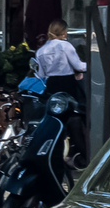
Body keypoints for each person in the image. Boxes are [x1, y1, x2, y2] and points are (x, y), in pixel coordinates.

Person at [32, 19, 88, 159]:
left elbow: (41, 75)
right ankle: (82, 153)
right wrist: (92, 64)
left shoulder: (41, 50)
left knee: (55, 119)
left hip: (51, 85)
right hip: (67, 84)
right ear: (63, 31)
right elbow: (79, 66)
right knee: (75, 117)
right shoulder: (65, 46)